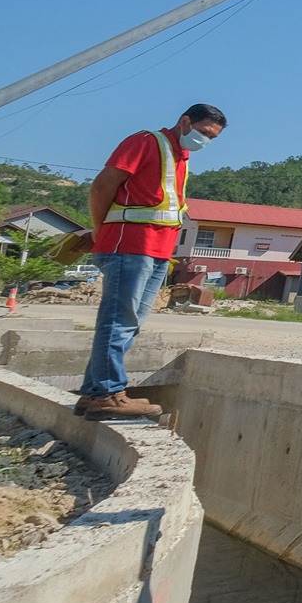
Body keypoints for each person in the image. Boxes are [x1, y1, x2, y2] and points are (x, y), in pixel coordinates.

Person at [76, 103, 227, 419]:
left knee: (129, 323)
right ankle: (107, 393)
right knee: (118, 320)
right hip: (128, 245)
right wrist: (101, 231)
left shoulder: (181, 156)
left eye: (212, 138)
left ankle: (95, 393)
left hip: (157, 250)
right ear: (184, 122)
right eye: (202, 133)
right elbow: (103, 186)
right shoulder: (146, 142)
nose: (205, 142)